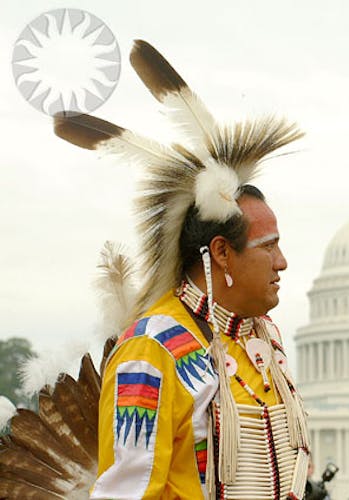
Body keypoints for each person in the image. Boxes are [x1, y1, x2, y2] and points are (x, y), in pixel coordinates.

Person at [54, 40, 309, 499]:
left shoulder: (262, 338)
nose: (282, 262)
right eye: (268, 247)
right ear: (222, 254)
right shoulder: (150, 353)